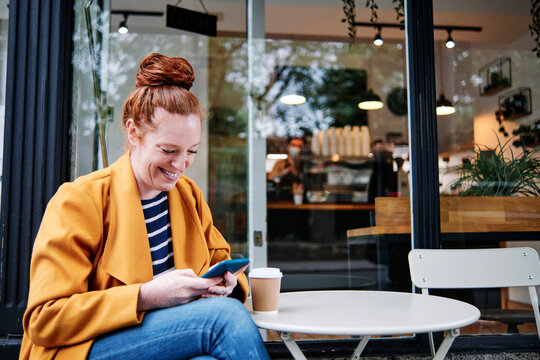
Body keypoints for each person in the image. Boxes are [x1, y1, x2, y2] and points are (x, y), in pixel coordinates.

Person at [20, 53, 270, 360]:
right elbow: (45, 319)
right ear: (132, 132)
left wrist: (228, 285)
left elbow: (222, 259)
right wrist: (146, 296)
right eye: (168, 150)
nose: (181, 165)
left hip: (166, 340)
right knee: (223, 318)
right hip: (85, 348)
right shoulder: (80, 200)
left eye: (191, 151)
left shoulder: (188, 195)